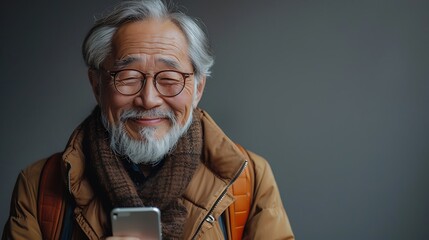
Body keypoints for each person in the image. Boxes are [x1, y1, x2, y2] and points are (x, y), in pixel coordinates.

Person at [2, 0, 294, 239]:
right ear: (97, 85)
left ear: (198, 88)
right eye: (128, 78)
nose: (149, 99)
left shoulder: (249, 178)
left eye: (169, 78)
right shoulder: (40, 184)